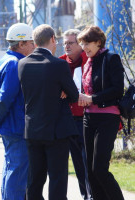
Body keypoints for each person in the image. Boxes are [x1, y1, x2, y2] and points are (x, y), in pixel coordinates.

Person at [18, 24, 79, 200]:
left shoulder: (22, 64)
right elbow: (74, 95)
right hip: (56, 131)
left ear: (35, 42)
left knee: (35, 179)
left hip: (32, 130)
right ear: (52, 39)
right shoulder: (59, 65)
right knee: (57, 179)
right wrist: (64, 90)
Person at [0, 23, 35, 200]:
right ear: (21, 44)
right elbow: (4, 97)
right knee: (17, 173)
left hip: (9, 126)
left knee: (11, 169)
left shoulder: (3, 61)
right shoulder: (16, 64)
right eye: (31, 42)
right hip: (17, 127)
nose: (34, 46)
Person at [77, 25, 125, 200]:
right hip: (88, 118)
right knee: (89, 170)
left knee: (99, 168)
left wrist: (91, 98)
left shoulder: (111, 58)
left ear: (98, 42)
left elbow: (118, 90)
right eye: (82, 43)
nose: (84, 47)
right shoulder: (88, 62)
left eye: (87, 43)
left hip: (107, 117)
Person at [59, 29, 92, 200]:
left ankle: (93, 194)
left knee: (90, 163)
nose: (66, 46)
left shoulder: (90, 62)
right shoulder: (59, 63)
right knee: (77, 163)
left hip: (87, 119)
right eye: (64, 43)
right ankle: (85, 195)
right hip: (67, 120)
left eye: (70, 43)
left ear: (80, 44)